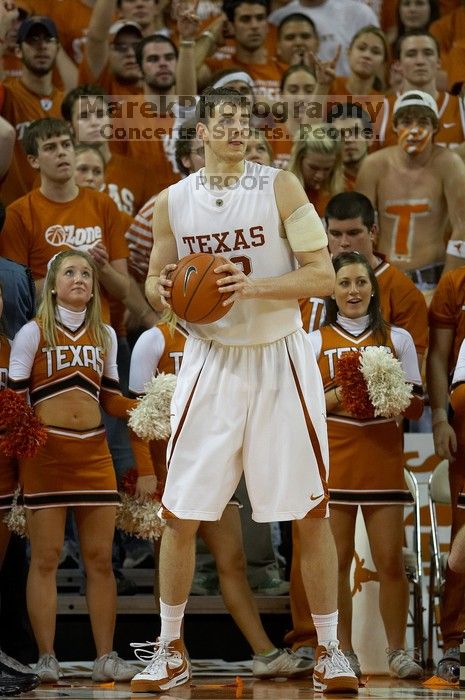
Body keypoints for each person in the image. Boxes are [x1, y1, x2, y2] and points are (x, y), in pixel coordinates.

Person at [130, 86, 358, 695]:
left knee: (311, 511)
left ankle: (331, 650)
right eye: (222, 119)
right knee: (180, 513)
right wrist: (177, 291)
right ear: (200, 131)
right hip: (209, 361)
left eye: (243, 119)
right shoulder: (172, 202)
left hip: (281, 357)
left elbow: (325, 274)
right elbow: (154, 281)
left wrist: (248, 286)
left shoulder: (281, 185)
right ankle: (171, 648)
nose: (235, 128)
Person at [128, 318, 311, 676]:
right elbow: (134, 415)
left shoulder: (224, 334)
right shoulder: (153, 340)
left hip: (213, 460)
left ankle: (265, 653)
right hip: (170, 470)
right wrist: (146, 468)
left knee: (233, 560)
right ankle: (172, 652)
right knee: (171, 560)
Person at [290, 192, 428, 662]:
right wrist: (342, 396)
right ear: (331, 289)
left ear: (373, 287)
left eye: (360, 283)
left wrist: (389, 398)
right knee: (338, 563)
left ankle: (397, 652)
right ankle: (339, 651)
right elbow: (301, 407)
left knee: (391, 561)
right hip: (335, 462)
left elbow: (415, 405)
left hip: (383, 460)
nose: (352, 291)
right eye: (343, 283)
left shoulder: (398, 338)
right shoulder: (311, 341)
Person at [8, 249, 138, 683]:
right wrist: (27, 449)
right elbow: (15, 399)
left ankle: (106, 656)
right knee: (45, 558)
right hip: (47, 455)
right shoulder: (32, 332)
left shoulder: (104, 334)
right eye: (69, 272)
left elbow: (112, 399)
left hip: (94, 454)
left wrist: (150, 404)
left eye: (86, 272)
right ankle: (47, 656)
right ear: (52, 283)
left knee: (99, 558)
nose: (79, 278)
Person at [0, 118, 129, 317]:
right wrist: (65, 270)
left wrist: (103, 268)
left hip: (99, 334)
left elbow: (123, 289)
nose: (61, 152)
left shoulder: (104, 204)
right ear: (33, 160)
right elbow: (15, 294)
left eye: (66, 145)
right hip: (46, 335)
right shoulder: (18, 213)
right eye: (50, 147)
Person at [356, 90, 465, 296]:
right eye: (406, 122)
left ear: (435, 128)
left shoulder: (449, 164)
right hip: (383, 278)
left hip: (433, 280)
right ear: (395, 127)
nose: (414, 130)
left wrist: (445, 290)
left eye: (423, 122)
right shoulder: (374, 165)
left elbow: (463, 228)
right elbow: (359, 227)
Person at [426, 265, 465, 679]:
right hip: (464, 423)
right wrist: (440, 417)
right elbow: (438, 355)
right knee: (461, 538)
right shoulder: (456, 282)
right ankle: (454, 640)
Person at [0, 15, 65, 205]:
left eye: (48, 39)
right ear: (18, 50)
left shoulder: (69, 103)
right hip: (12, 212)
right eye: (32, 40)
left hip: (58, 214)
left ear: (58, 48)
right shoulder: (6, 95)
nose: (41, 46)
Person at [381, 31, 465, 149]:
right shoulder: (377, 110)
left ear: (439, 62)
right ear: (398, 65)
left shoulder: (462, 107)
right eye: (411, 54)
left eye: (428, 53)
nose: (420, 61)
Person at [288, 126, 344, 217]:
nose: (320, 176)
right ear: (298, 160)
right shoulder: (279, 190)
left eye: (327, 169)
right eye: (313, 168)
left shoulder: (338, 193)